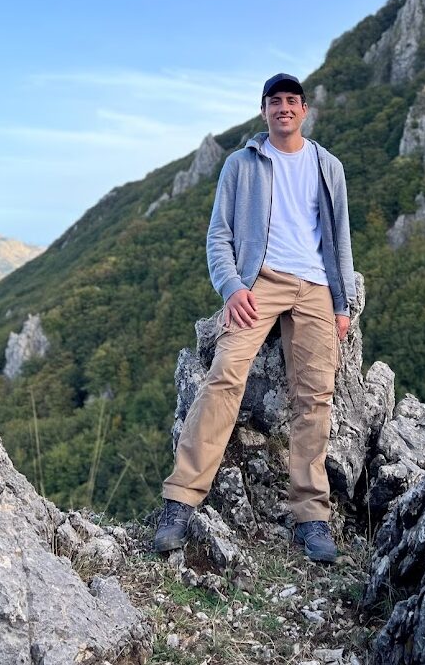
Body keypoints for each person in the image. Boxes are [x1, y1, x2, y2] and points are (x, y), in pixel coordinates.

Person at [154, 72, 356, 562]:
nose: (284, 108)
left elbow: (341, 237)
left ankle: (311, 518)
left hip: (313, 286)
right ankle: (180, 501)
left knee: (314, 396)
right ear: (263, 111)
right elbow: (217, 235)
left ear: (304, 110)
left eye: (292, 100)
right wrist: (232, 286)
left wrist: (342, 302)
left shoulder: (328, 167)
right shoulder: (241, 164)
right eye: (275, 101)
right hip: (259, 282)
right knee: (224, 377)